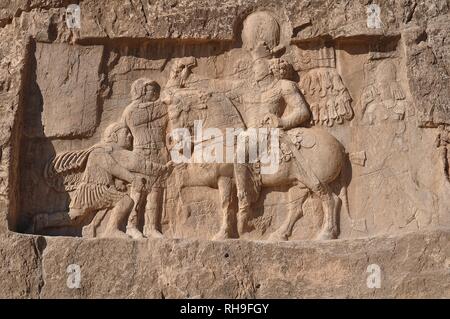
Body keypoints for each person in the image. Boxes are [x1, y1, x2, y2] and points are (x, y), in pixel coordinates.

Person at [121, 78, 171, 238]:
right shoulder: (132, 111)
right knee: (138, 191)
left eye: (157, 90)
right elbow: (155, 111)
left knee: (155, 192)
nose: (156, 93)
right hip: (142, 154)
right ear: (141, 91)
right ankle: (131, 225)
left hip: (159, 153)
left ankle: (150, 227)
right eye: (151, 90)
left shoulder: (159, 108)